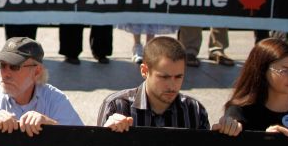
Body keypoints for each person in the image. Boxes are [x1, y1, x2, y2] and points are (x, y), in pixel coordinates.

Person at [97, 36, 241, 134]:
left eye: (178, 77)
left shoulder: (194, 110)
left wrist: (225, 134)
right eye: (164, 77)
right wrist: (106, 134)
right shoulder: (117, 106)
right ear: (144, 71)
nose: (172, 85)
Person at [0, 37, 82, 134]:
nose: (5, 74)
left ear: (36, 71)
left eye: (14, 66)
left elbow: (82, 142)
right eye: (2, 65)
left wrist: (51, 126)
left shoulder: (55, 100)